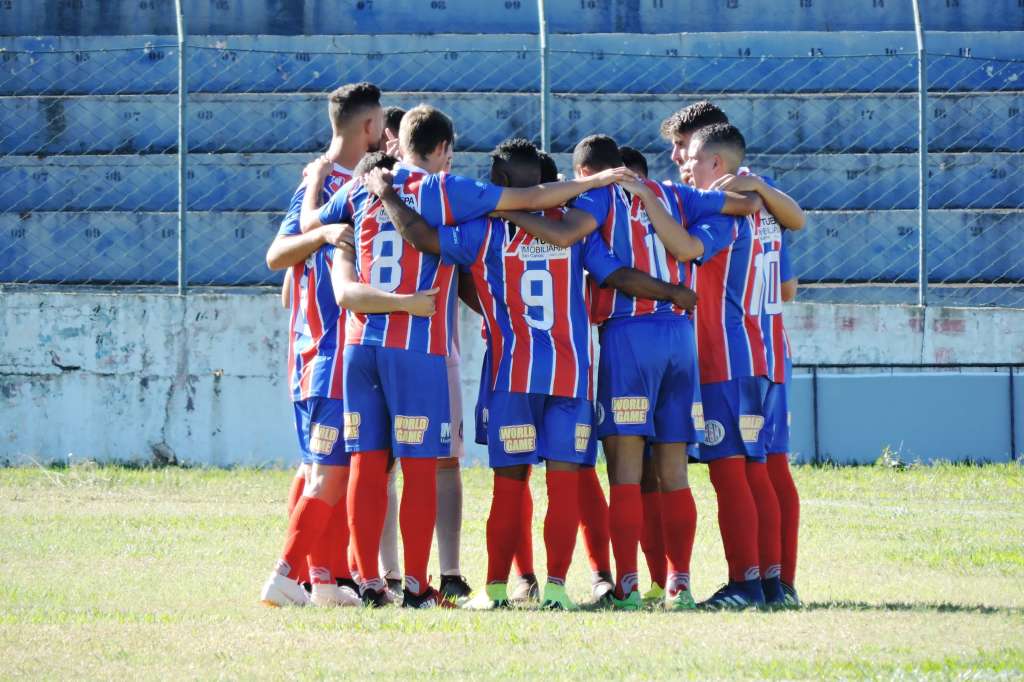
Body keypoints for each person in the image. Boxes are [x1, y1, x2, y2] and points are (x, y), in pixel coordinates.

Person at [298, 105, 634, 607]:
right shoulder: (451, 192)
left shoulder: (379, 192)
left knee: (374, 466)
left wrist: (326, 190)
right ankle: (435, 584)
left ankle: (375, 578)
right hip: (479, 357)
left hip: (367, 345)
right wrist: (596, 184)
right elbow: (542, 207)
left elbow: (328, 227)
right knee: (436, 467)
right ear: (441, 150)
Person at [363, 136, 698, 610]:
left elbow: (423, 238)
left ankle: (499, 587)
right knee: (564, 485)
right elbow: (618, 275)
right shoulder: (578, 234)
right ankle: (559, 588)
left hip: (512, 376)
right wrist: (672, 292)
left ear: (501, 182)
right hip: (571, 377)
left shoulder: (484, 231)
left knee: (510, 486)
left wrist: (388, 195)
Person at [495, 134, 760, 610]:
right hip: (682, 339)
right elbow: (746, 203)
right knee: (674, 470)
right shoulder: (673, 193)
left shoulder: (598, 195)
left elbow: (568, 240)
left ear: (584, 173)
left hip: (628, 336)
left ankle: (629, 587)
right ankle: (679, 583)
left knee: (625, 469)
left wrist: (503, 210)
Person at [258, 82, 384, 607]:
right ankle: (287, 576)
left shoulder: (315, 182)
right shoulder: (344, 187)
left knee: (319, 467)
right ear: (369, 127)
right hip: (332, 351)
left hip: (312, 353)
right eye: (382, 126)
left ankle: (324, 579)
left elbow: (285, 266)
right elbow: (279, 255)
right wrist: (326, 234)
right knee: (330, 471)